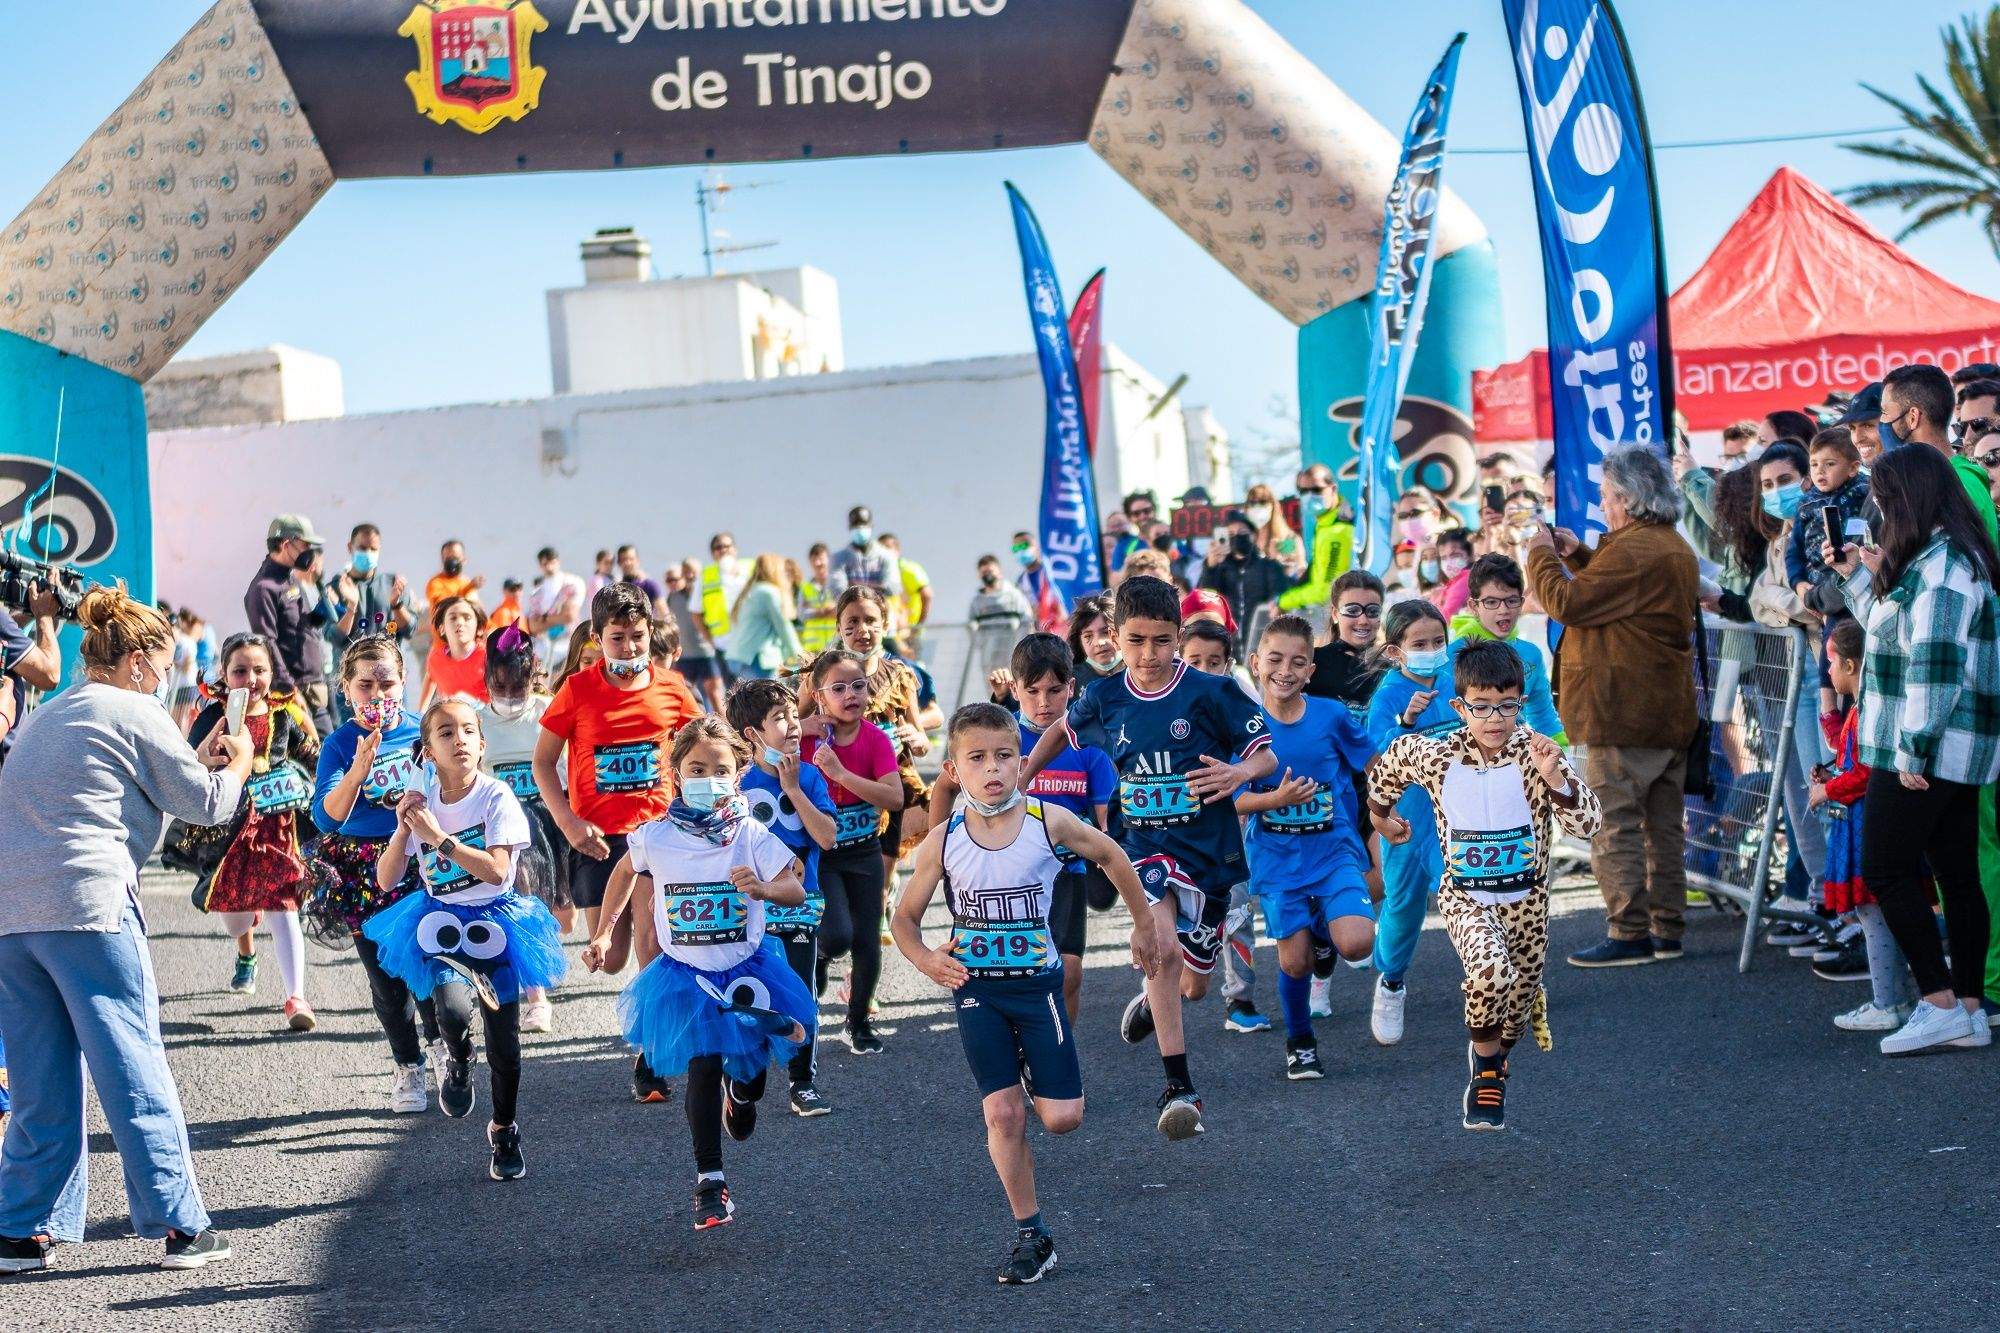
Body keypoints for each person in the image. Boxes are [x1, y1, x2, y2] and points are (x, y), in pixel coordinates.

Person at [0, 588, 254, 1275]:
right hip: (91, 908)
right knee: (132, 1064)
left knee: (38, 1080)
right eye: (162, 665)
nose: (163, 679)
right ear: (140, 661)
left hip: (12, 917)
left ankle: (21, 1229)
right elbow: (204, 801)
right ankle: (181, 1224)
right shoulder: (136, 708)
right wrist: (241, 760)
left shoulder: (46, 717)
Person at [893, 702, 1158, 1285]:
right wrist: (928, 960)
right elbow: (904, 918)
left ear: (1020, 761)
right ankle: (1032, 1235)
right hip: (978, 992)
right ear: (956, 770)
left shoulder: (1048, 821)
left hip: (1038, 988)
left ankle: (1040, 1075)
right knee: (1004, 1114)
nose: (993, 769)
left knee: (1062, 1119)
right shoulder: (944, 839)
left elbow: (1111, 855)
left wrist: (1142, 925)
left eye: (1004, 756)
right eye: (977, 759)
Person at [1021, 576, 1276, 1141]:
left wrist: (1236, 773)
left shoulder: (1212, 693)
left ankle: (1152, 998)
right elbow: (1062, 733)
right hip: (1143, 850)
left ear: (1179, 636)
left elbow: (1263, 755)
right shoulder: (1106, 697)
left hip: (1210, 855)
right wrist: (1023, 777)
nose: (1149, 655)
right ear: (1116, 635)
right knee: (1160, 948)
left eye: (1162, 641)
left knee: (1193, 985)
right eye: (1136, 641)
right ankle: (1178, 1084)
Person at [585, 716, 816, 1231]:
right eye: (696, 767)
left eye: (720, 769)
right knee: (702, 1067)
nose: (707, 777)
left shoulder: (751, 834)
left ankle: (744, 1094)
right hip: (686, 977)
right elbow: (625, 871)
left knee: (751, 1074)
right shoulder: (657, 837)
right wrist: (603, 932)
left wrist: (762, 889)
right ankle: (710, 1182)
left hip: (747, 973)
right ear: (675, 772)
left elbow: (795, 890)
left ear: (737, 777)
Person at [1367, 640, 1602, 1131]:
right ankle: (1485, 1067)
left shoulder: (1537, 753)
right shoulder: (1434, 755)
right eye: (1481, 707)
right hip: (1465, 897)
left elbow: (1590, 825)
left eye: (1507, 706)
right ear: (1460, 706)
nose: (1495, 719)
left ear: (1520, 702)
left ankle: (1503, 1043)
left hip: (1527, 900)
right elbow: (1386, 771)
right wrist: (1381, 818)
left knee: (1515, 1008)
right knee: (1489, 973)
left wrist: (1557, 779)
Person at [1824, 443, 2000, 1055]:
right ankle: (1968, 1009)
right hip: (1941, 745)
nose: (1878, 510)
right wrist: (1861, 579)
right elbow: (1895, 638)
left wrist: (1913, 751)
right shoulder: (1940, 557)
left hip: (1922, 746)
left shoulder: (1946, 564)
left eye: (1884, 499)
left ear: (1910, 499)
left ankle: (1939, 1001)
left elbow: (1934, 667)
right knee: (1954, 874)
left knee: (1887, 869)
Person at [366, 697, 566, 1181]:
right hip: (441, 922)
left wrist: (439, 840)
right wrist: (401, 832)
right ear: (428, 751)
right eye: (445, 733)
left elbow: (498, 874)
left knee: (506, 1044)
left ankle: (504, 1128)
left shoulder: (496, 797)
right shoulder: (424, 803)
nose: (459, 741)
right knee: (451, 1012)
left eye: (467, 731)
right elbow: (387, 880)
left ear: (482, 742)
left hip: (497, 922)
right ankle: (456, 1058)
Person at [1524, 446, 1698, 968]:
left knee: (1613, 824)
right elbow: (1616, 593)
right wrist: (1578, 555)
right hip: (1664, 711)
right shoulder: (1669, 545)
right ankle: (1666, 928)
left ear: (1626, 497)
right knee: (1662, 828)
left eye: (1605, 494)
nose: (1601, 502)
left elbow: (1570, 604)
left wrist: (1540, 553)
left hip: (1618, 710)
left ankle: (1628, 932)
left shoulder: (1636, 550)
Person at [533, 583, 701, 1101]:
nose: (628, 647)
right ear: (598, 638)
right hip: (595, 839)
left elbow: (702, 753)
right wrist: (567, 822)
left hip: (656, 833)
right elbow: (543, 762)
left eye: (637, 636)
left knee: (652, 942)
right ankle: (637, 1003)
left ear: (650, 634)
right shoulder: (578, 691)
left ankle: (648, 1058)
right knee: (610, 954)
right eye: (617, 638)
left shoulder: (673, 688)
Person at [932, 635, 1118, 1022]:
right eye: (1031, 691)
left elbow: (1105, 822)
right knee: (1010, 972)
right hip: (1002, 876)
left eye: (1054, 690)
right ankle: (1018, 1043)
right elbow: (946, 783)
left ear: (1072, 687)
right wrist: (942, 848)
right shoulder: (999, 734)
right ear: (1015, 690)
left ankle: (1057, 1048)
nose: (1043, 702)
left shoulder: (1088, 742)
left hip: (1067, 870)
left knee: (1070, 971)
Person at [1239, 616, 1378, 1080]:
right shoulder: (1242, 727)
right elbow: (1233, 800)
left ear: (1310, 671)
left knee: (1358, 944)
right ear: (1255, 662)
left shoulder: (1331, 715)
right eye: (1275, 659)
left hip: (1333, 850)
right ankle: (1300, 1040)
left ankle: (1327, 933)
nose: (1285, 670)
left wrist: (1383, 813)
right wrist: (1275, 800)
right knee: (1295, 962)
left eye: (1298, 662)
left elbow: (1373, 762)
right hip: (1277, 861)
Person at [307, 636, 440, 1112]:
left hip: (422, 861)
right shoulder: (340, 743)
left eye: (387, 682)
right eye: (366, 684)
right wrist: (358, 769)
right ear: (346, 689)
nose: (377, 693)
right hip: (363, 868)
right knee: (385, 977)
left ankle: (442, 1044)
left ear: (404, 683)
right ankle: (409, 1069)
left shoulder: (423, 733)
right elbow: (326, 817)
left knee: (429, 959)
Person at [179, 634, 320, 1030]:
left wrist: (337, 768)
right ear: (225, 674)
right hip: (229, 830)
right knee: (235, 915)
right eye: (241, 670)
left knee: (284, 905)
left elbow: (311, 754)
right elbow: (189, 765)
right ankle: (245, 951)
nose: (251, 678)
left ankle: (297, 998)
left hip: (278, 828)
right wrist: (207, 756)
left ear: (271, 674)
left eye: (260, 670)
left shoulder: (282, 715)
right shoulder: (213, 716)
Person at [726, 678, 839, 1116]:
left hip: (800, 904)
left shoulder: (809, 776)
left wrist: (793, 790)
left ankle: (802, 1081)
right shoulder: (736, 784)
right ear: (753, 734)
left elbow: (827, 838)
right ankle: (743, 1077)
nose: (794, 725)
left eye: (794, 715)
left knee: (800, 992)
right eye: (780, 719)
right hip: (749, 907)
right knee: (748, 993)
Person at [1811, 619, 1918, 1032]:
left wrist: (1829, 790)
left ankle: (1888, 1002)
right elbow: (1848, 755)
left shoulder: (1868, 708)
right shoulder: (1860, 707)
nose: (1829, 672)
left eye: (1832, 664)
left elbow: (1865, 772)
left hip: (1866, 822)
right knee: (1877, 912)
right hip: (1864, 820)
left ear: (1852, 666)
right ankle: (1899, 998)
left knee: (1873, 912)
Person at [798, 648, 905, 1054]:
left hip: (864, 852)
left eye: (858, 686)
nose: (850, 695)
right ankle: (823, 956)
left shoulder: (875, 740)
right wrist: (799, 727)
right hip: (822, 856)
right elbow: (755, 751)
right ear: (820, 695)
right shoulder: (805, 739)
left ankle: (858, 1023)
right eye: (838, 688)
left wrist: (841, 774)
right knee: (838, 934)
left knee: (866, 939)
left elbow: (894, 797)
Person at [1364, 599, 1455, 1045]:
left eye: (1439, 640)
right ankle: (1391, 981)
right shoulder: (1388, 695)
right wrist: (1407, 720)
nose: (1432, 649)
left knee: (1469, 897)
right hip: (1408, 819)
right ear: (1396, 651)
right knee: (1404, 907)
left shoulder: (1458, 675)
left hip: (1460, 815)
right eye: (1420, 643)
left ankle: (1503, 980)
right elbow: (1379, 755)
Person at [479, 625, 563, 1034]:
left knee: (560, 920)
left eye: (519, 686)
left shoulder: (549, 711)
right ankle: (536, 997)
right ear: (487, 678)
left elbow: (568, 768)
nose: (510, 696)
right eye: (501, 686)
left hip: (551, 824)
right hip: (503, 828)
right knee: (520, 901)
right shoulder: (475, 721)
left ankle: (539, 972)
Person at [1447, 555, 1562, 741]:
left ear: (1522, 602)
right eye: (1491, 602)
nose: (1503, 610)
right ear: (1473, 606)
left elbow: (1542, 715)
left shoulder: (1530, 654)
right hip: (1464, 756)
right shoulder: (1454, 654)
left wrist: (1561, 752)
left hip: (1515, 754)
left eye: (1511, 600)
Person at [1879, 363, 1999, 541]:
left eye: (1885, 412)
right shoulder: (1945, 478)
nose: (1881, 422)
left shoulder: (1957, 483)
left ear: (1913, 417)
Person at [244, 513, 334, 733]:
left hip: (315, 686)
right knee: (320, 759)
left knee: (331, 757)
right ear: (286, 544)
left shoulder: (289, 579)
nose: (309, 553)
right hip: (296, 691)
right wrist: (290, 690)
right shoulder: (264, 588)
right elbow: (267, 642)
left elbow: (302, 625)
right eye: (305, 545)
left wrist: (326, 603)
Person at [327, 524, 414, 696]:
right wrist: (351, 606)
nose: (368, 553)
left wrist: (396, 604)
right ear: (350, 547)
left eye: (373, 549)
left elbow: (409, 629)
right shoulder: (336, 588)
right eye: (362, 548)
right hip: (351, 684)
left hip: (388, 682)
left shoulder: (392, 584)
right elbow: (334, 636)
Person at [1197, 509, 1291, 652]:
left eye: (1242, 532)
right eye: (1231, 534)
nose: (1237, 537)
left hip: (1263, 644)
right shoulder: (1219, 569)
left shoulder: (1269, 566)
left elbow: (1280, 598)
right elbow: (1205, 600)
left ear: (1253, 535)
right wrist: (1210, 567)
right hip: (1227, 648)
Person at [1306, 570, 1386, 711]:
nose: (1363, 620)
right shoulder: (1311, 662)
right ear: (1335, 614)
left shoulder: (1390, 670)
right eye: (1352, 610)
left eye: (1373, 611)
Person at [724, 553, 803, 682]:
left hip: (738, 656)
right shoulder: (768, 592)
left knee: (749, 699)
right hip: (757, 659)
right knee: (769, 699)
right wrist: (801, 655)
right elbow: (783, 626)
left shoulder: (750, 590)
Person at [663, 560, 725, 714]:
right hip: (685, 656)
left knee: (714, 694)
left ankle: (729, 731)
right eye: (686, 572)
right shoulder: (673, 597)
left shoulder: (706, 595)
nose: (689, 575)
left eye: (692, 571)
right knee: (687, 695)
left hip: (707, 654)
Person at [421, 595, 490, 709]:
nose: (460, 623)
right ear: (442, 628)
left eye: (467, 617)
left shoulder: (489, 657)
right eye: (453, 618)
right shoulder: (435, 657)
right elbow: (430, 677)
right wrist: (420, 713)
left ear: (479, 628)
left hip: (485, 721)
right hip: (452, 720)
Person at [523, 546, 587, 670]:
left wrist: (544, 618)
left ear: (558, 561)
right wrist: (557, 617)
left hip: (568, 650)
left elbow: (569, 616)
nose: (549, 566)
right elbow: (533, 627)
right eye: (544, 563)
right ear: (540, 566)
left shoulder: (572, 583)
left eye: (551, 561)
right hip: (543, 654)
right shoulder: (537, 593)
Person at [877, 533, 933, 653]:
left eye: (887, 548)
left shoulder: (907, 569)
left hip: (909, 634)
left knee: (911, 669)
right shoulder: (881, 575)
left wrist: (917, 628)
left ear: (897, 550)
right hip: (891, 634)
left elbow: (927, 595)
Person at [829, 505, 897, 595]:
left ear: (871, 526)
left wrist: (853, 585)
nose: (860, 528)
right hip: (851, 608)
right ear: (850, 527)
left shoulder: (886, 556)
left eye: (863, 523)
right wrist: (877, 586)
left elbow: (892, 588)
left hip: (881, 607)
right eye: (856, 525)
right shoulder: (838, 558)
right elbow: (837, 588)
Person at [1011, 531, 1070, 634]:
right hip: (1041, 634)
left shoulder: (1055, 573)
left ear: (1036, 546)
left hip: (1064, 628)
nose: (1020, 551)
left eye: (1024, 545)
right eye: (1016, 549)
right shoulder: (1020, 582)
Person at [1244, 482, 1307, 578]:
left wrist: (1279, 563)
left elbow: (1300, 574)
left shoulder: (1289, 540)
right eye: (1252, 503)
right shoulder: (1245, 541)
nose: (1257, 507)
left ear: (1273, 505)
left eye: (1262, 502)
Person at [698, 532, 748, 651]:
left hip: (750, 641)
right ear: (712, 553)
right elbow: (696, 613)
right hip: (723, 645)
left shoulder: (750, 569)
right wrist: (710, 641)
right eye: (718, 547)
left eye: (727, 546)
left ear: (735, 549)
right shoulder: (705, 576)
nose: (723, 550)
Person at [797, 543, 839, 655]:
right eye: (814, 560)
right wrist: (824, 611)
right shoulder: (806, 587)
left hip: (835, 645)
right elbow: (801, 614)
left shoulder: (838, 584)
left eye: (821, 558)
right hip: (813, 648)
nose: (817, 563)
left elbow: (843, 610)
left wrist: (814, 611)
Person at [969, 553, 1034, 625]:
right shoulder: (976, 602)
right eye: (984, 572)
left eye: (990, 571)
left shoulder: (1015, 596)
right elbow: (972, 628)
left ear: (999, 571)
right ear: (979, 574)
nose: (987, 575)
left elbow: (1027, 621)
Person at [1425, 529, 1476, 619]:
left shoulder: (1466, 578)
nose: (1448, 562)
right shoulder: (1455, 581)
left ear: (1471, 555)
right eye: (1443, 557)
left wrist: (1434, 600)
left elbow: (1446, 617)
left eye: (1455, 555)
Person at [424, 539, 482, 611]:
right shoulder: (435, 582)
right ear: (442, 561)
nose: (452, 561)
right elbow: (445, 605)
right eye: (448, 559)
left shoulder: (466, 582)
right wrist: (468, 588)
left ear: (464, 560)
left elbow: (479, 613)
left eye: (455, 558)